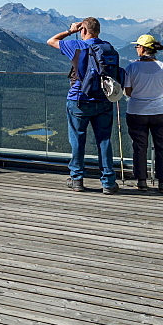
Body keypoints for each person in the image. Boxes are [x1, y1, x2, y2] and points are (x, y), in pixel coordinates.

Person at [47, 18, 119, 194]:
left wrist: (71, 31)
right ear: (98, 31)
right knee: (104, 140)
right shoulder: (107, 47)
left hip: (78, 99)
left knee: (78, 140)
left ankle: (77, 179)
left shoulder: (76, 46)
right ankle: (108, 182)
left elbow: (51, 41)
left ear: (83, 31)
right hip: (103, 100)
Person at [124, 34, 163, 193]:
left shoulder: (131, 68)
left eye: (137, 47)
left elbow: (128, 92)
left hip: (136, 111)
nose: (136, 49)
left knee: (139, 147)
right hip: (160, 111)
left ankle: (141, 181)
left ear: (143, 48)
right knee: (162, 146)